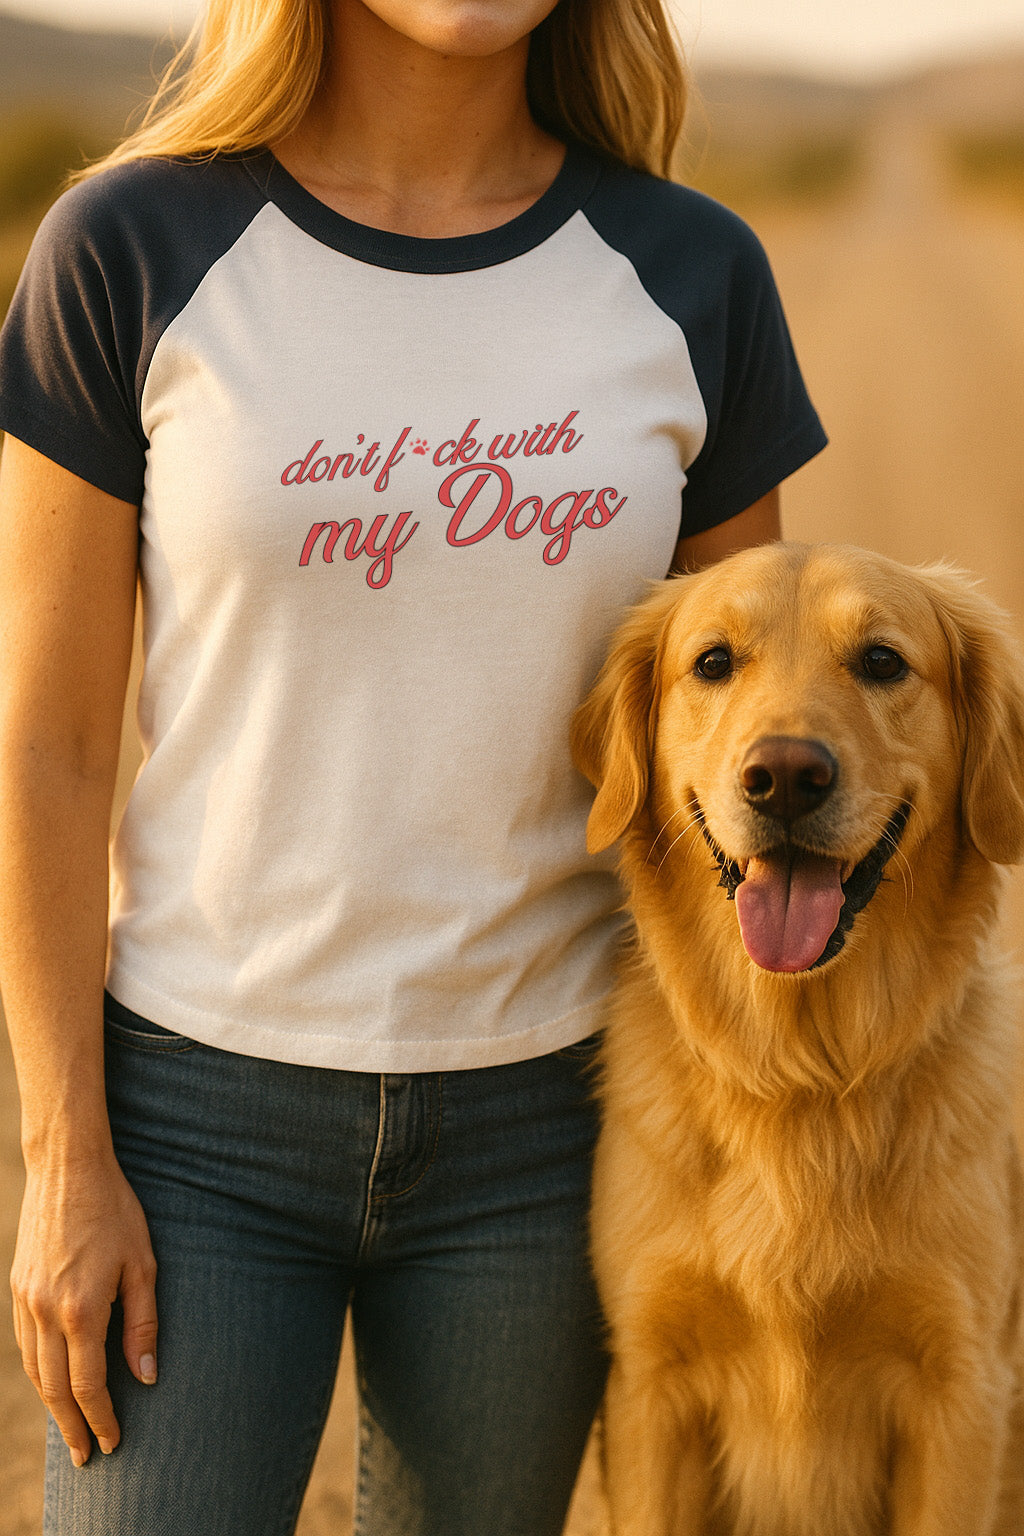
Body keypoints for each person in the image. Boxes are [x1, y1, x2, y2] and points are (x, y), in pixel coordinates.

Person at [0, 1, 826, 1532]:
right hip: (195, 1124)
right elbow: (47, 751)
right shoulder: (127, 247)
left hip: (554, 1125)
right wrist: (62, 1161)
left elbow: (746, 772)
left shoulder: (693, 274)